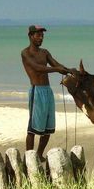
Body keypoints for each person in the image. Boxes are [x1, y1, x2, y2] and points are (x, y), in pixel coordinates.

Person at [21, 25, 72, 161]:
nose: (41, 38)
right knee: (32, 128)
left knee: (48, 128)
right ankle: (29, 157)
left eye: (42, 35)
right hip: (36, 91)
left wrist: (69, 70)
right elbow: (37, 68)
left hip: (47, 91)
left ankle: (39, 154)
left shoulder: (45, 52)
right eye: (38, 35)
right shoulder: (25, 53)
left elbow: (56, 64)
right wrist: (57, 69)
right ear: (30, 36)